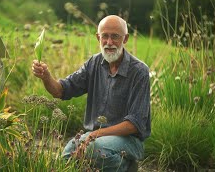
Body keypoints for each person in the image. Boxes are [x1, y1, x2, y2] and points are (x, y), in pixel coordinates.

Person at [31, 15, 151, 171]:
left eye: (115, 36)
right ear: (98, 37)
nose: (109, 43)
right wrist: (46, 77)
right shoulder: (93, 63)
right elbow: (61, 91)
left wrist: (94, 135)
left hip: (129, 141)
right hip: (95, 138)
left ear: (125, 38)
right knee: (67, 156)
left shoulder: (139, 71)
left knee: (95, 150)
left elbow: (135, 124)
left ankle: (127, 166)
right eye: (104, 36)